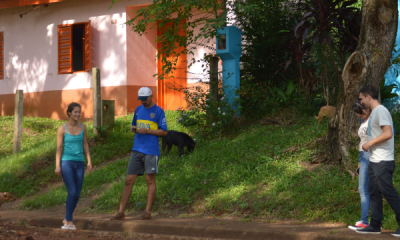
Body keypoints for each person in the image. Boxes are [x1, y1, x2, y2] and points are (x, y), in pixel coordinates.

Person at [110, 87, 167, 220]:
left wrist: (147, 131)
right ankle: (121, 211)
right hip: (137, 149)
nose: (143, 102)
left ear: (151, 96)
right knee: (129, 180)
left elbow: (164, 132)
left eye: (145, 99)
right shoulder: (138, 110)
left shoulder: (159, 112)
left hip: (151, 150)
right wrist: (133, 128)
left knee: (149, 180)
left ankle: (147, 212)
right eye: (140, 100)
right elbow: (134, 125)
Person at [356, 85, 400, 236]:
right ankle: (375, 225)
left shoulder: (380, 111)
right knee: (374, 192)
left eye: (361, 99)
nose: (360, 102)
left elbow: (388, 133)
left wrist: (369, 143)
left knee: (388, 192)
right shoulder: (374, 113)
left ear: (368, 97)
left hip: (383, 160)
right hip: (374, 160)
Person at [55, 102, 92, 230]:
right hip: (66, 163)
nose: (77, 114)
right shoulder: (62, 129)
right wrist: (57, 165)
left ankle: (67, 217)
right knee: (72, 191)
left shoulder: (83, 127)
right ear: (69, 113)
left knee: (77, 193)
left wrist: (89, 160)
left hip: (80, 162)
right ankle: (69, 222)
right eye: (75, 112)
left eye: (79, 112)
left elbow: (85, 144)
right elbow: (59, 148)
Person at [348, 100, 371, 230]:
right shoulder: (363, 121)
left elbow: (391, 132)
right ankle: (364, 221)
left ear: (366, 108)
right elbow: (362, 141)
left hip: (371, 156)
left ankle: (366, 221)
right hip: (363, 156)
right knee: (363, 189)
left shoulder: (375, 118)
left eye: (361, 112)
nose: (359, 115)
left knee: (367, 189)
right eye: (357, 113)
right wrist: (359, 162)